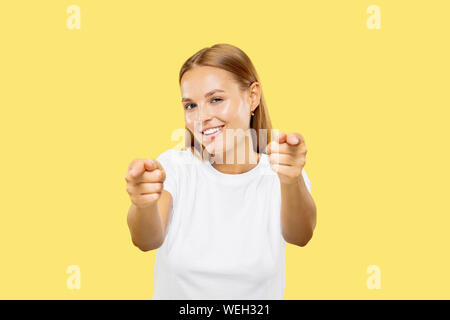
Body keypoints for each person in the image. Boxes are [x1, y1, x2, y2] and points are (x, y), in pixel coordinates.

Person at [125, 43, 317, 299]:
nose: (201, 117)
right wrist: (143, 204)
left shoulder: (281, 172)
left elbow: (301, 236)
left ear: (252, 97)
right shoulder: (175, 167)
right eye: (190, 106)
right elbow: (146, 240)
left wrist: (291, 181)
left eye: (216, 99)